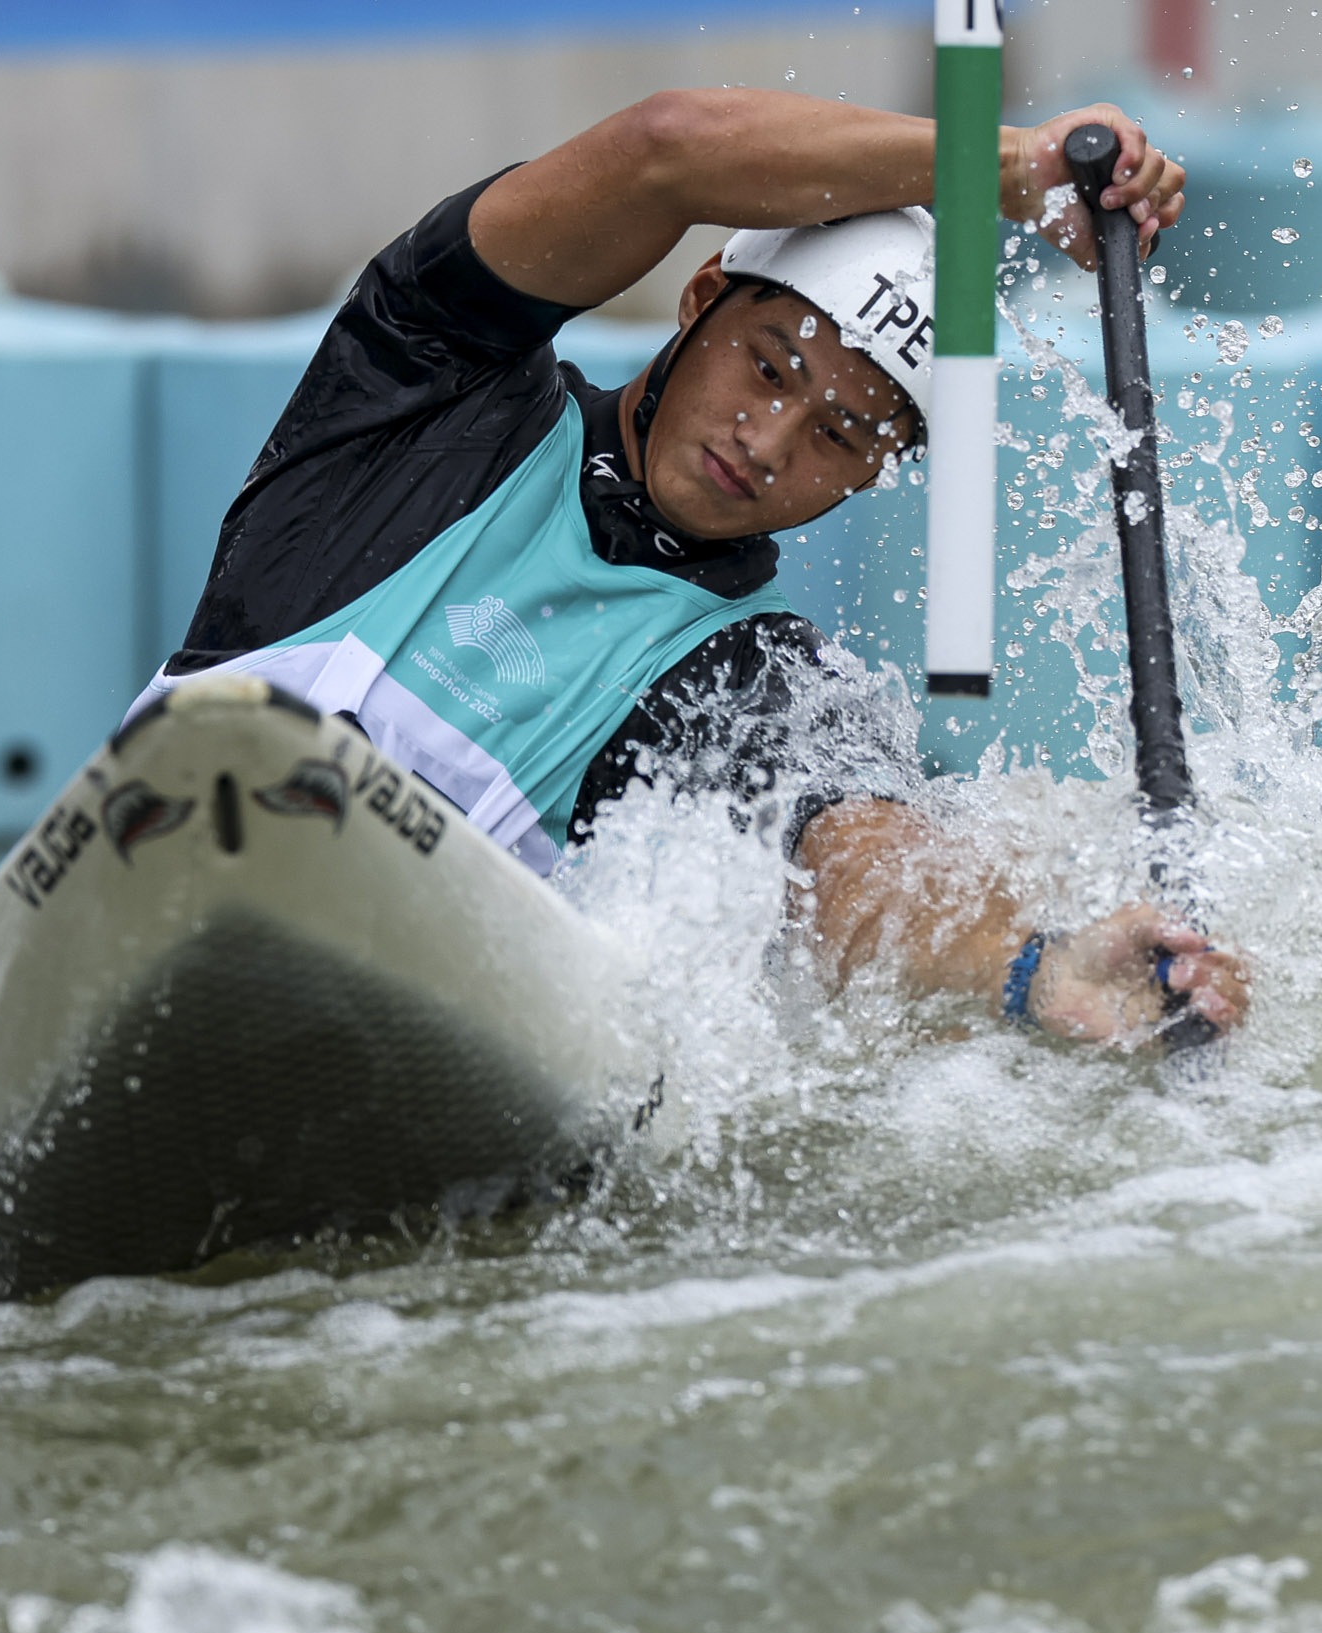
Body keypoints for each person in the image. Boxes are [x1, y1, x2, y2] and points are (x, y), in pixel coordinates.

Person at [135, 88, 1246, 1045]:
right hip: (152, 870)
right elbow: (665, 148)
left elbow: (864, 867)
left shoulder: (758, 678)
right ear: (702, 294)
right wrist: (1007, 167)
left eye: (839, 438)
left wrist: (1036, 968)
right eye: (767, 367)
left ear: (874, 478)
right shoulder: (431, 379)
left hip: (386, 1036)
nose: (766, 441)